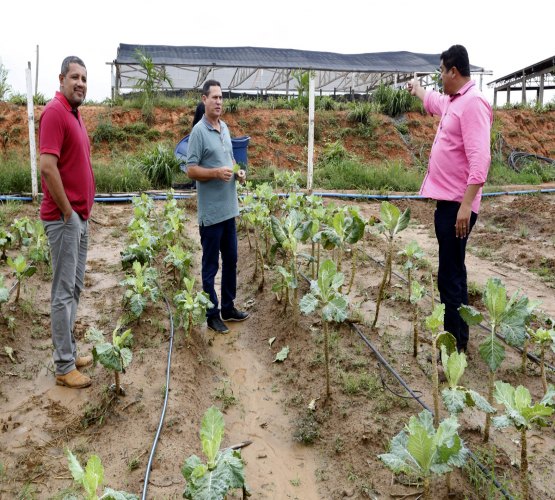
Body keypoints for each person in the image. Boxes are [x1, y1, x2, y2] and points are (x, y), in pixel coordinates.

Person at [408, 45, 493, 353]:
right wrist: (418, 90)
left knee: (450, 277)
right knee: (453, 270)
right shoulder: (455, 101)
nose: (440, 77)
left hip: (458, 206)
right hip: (449, 204)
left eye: (442, 71)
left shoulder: (473, 104)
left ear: (454, 71)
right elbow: (434, 101)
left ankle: (454, 348)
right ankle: (461, 339)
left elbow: (480, 159)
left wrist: (466, 205)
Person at [39, 56, 95, 388]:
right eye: (74, 77)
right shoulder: (55, 112)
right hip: (64, 220)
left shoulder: (74, 115)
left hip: (78, 218)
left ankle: (70, 353)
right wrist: (68, 213)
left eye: (84, 78)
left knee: (73, 288)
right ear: (61, 79)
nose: (80, 83)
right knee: (62, 292)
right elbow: (47, 167)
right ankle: (63, 366)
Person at [186, 80, 249, 334]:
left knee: (231, 259)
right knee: (211, 265)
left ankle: (228, 307)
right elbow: (191, 169)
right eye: (214, 97)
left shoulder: (224, 128)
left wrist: (238, 172)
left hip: (229, 210)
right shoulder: (198, 133)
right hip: (211, 214)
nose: (219, 101)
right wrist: (214, 173)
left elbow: (230, 160)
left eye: (221, 97)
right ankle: (212, 314)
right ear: (204, 100)